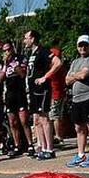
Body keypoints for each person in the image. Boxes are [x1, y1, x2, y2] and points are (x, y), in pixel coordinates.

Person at [64, 35, 89, 168]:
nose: (82, 48)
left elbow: (85, 74)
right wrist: (76, 75)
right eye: (80, 45)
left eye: (85, 45)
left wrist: (75, 75)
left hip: (88, 96)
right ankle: (80, 154)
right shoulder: (75, 62)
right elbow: (67, 80)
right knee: (78, 127)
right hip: (76, 98)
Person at [25, 31, 62, 161]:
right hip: (33, 90)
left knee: (44, 118)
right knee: (37, 120)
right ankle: (42, 146)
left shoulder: (43, 50)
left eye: (26, 38)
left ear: (33, 38)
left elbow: (57, 63)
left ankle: (50, 149)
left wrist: (45, 77)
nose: (24, 41)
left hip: (42, 89)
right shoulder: (31, 53)